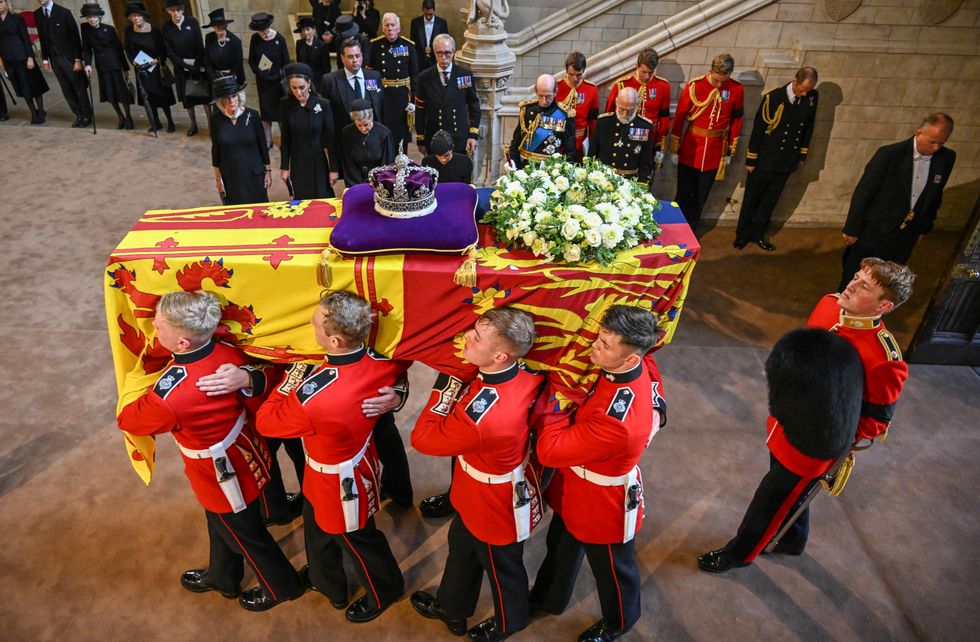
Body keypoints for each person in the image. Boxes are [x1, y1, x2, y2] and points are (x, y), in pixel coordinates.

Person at [116, 290, 305, 612]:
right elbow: (268, 372)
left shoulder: (172, 395)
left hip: (220, 473)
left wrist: (139, 379)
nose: (154, 330)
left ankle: (281, 585)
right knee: (221, 521)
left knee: (244, 534)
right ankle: (222, 576)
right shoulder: (229, 354)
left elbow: (130, 419)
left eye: (159, 326)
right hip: (245, 450)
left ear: (182, 343)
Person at [256, 290, 406, 623]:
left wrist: (290, 380)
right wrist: (396, 397)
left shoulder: (316, 399)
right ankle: (328, 583)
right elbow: (399, 368)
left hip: (336, 478)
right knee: (317, 527)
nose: (311, 327)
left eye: (315, 325)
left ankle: (386, 588)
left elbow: (266, 422)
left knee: (356, 537)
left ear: (335, 341)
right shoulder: (382, 362)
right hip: (352, 458)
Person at [530, 305, 666, 642]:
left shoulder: (617, 424)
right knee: (561, 546)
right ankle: (551, 597)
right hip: (575, 484)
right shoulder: (634, 361)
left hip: (602, 501)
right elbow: (651, 364)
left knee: (612, 569)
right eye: (599, 338)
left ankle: (620, 620)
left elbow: (549, 450)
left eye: (605, 345)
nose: (595, 347)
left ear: (628, 358)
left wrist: (559, 400)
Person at [410, 308, 544, 642]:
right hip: (476, 488)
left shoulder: (481, 417)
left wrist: (446, 385)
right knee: (461, 547)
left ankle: (511, 621)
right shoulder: (526, 376)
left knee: (502, 569)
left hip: (493, 502)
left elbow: (423, 439)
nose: (466, 337)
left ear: (500, 355)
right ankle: (452, 608)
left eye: (476, 338)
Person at [696, 327, 864, 575]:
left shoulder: (881, 352)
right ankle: (792, 538)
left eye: (863, 286)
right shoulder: (831, 306)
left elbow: (874, 415)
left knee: (771, 501)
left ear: (883, 304)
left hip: (814, 439)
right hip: (792, 425)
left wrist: (839, 436)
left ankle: (740, 553)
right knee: (792, 495)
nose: (850, 288)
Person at [838, 112, 956, 292]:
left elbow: (935, 197)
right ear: (918, 133)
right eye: (932, 142)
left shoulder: (946, 158)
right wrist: (852, 228)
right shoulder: (889, 154)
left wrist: (924, 229)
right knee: (854, 277)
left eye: (941, 143)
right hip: (875, 230)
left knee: (886, 282)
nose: (937, 147)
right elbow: (864, 192)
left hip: (906, 236)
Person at [734, 66, 819, 252]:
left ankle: (758, 234)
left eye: (809, 90)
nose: (805, 94)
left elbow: (808, 127)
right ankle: (742, 235)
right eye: (802, 89)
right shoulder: (773, 98)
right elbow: (758, 130)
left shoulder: (813, 97)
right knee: (752, 199)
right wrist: (751, 159)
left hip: (786, 160)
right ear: (794, 81)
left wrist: (802, 154)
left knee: (770, 200)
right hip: (765, 159)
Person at [670, 53, 744, 233]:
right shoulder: (694, 86)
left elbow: (737, 120)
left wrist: (729, 151)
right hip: (691, 148)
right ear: (710, 71)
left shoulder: (736, 89)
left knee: (701, 196)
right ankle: (675, 231)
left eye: (723, 81)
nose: (719, 85)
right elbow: (680, 118)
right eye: (716, 80)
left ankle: (691, 231)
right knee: (683, 194)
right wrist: (675, 148)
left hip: (715, 152)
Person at [321, 37, 383, 176]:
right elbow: (327, 118)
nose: (355, 60)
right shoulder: (330, 81)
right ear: (342, 58)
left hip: (373, 145)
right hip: (346, 146)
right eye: (350, 57)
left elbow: (380, 110)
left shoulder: (374, 77)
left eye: (357, 56)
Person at [606, 47, 670, 173]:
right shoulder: (622, 85)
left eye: (651, 73)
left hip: (649, 142)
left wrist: (660, 148)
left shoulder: (663, 86)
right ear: (637, 66)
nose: (647, 76)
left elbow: (664, 119)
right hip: (624, 141)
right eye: (644, 72)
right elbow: (610, 117)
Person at [209, 75, 270, 205]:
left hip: (254, 173)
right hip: (232, 175)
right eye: (227, 98)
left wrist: (268, 171)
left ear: (239, 96)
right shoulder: (216, 120)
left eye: (234, 96)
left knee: (261, 210)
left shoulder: (252, 115)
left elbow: (263, 146)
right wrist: (218, 178)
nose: (231, 101)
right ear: (221, 101)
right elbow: (216, 149)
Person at [280, 62, 337, 199]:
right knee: (302, 198)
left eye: (302, 87)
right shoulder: (286, 104)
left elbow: (331, 139)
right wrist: (284, 167)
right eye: (294, 88)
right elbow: (286, 138)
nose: (298, 92)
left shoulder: (323, 105)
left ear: (309, 83)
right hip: (298, 159)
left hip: (318, 159)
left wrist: (334, 169)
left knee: (322, 197)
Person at [415, 34, 480, 155]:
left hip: (459, 138)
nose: (444, 57)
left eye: (447, 53)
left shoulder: (464, 75)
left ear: (453, 52)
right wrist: (420, 140)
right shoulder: (425, 77)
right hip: (434, 138)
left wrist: (473, 135)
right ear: (434, 53)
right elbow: (420, 110)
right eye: (439, 53)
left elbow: (474, 106)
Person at [34, 0, 91, 127]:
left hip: (69, 58)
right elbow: (42, 39)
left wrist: (77, 59)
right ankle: (78, 115)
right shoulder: (37, 14)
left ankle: (87, 115)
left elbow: (75, 37)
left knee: (79, 88)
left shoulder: (64, 12)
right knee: (66, 89)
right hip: (54, 59)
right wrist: (45, 59)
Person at [367, 12, 418, 152]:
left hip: (402, 97)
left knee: (401, 134)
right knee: (383, 131)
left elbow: (414, 76)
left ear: (398, 28)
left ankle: (402, 163)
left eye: (393, 25)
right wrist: (371, 98)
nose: (390, 28)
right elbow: (369, 75)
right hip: (382, 96)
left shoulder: (408, 46)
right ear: (382, 28)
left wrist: (413, 100)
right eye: (387, 25)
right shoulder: (375, 46)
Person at [123, 1, 176, 133]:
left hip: (155, 68)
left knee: (162, 96)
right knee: (148, 97)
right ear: (130, 18)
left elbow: (163, 50)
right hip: (141, 69)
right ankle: (155, 123)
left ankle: (170, 122)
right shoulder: (128, 31)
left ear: (144, 16)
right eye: (133, 16)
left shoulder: (155, 31)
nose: (136, 18)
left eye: (138, 15)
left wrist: (156, 61)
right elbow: (128, 49)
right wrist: (134, 63)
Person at [589, 87, 655, 191]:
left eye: (630, 110)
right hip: (603, 180)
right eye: (622, 109)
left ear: (637, 105)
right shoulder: (603, 122)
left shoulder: (645, 126)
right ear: (616, 102)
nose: (625, 114)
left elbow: (646, 161)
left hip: (630, 183)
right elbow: (592, 154)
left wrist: (641, 186)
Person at [80, 3, 132, 130]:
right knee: (109, 92)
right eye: (89, 17)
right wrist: (87, 64)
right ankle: (120, 117)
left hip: (114, 64)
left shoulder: (109, 29)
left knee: (121, 92)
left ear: (99, 17)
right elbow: (87, 49)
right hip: (101, 66)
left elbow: (119, 49)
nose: (91, 19)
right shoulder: (85, 29)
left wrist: (125, 68)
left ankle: (129, 117)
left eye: (94, 17)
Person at [508, 74, 576, 169]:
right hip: (525, 166)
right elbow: (517, 140)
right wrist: (512, 161)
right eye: (540, 96)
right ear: (536, 91)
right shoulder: (526, 109)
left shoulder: (565, 115)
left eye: (548, 96)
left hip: (550, 169)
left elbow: (570, 150)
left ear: (555, 92)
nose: (544, 101)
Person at [162, 0, 209, 136]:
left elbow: (200, 45)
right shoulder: (166, 27)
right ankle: (193, 125)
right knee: (188, 100)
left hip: (197, 67)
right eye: (172, 10)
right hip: (180, 69)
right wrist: (183, 65)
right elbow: (169, 51)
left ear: (182, 9)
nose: (176, 13)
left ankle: (211, 125)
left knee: (204, 97)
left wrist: (196, 65)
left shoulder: (192, 22)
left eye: (178, 9)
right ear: (168, 11)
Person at [0, 0, 49, 124]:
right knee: (22, 88)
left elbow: (26, 38)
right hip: (8, 59)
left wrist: (30, 57)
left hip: (23, 57)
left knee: (34, 85)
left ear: (6, 3)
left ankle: (41, 111)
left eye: (0, 2)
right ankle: (33, 112)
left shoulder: (17, 18)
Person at [247, 12, 289, 148]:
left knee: (281, 113)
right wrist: (260, 74)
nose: (263, 34)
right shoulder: (255, 39)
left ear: (269, 26)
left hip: (278, 83)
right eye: (260, 31)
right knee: (266, 113)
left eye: (264, 31)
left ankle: (284, 141)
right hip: (263, 83)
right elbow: (252, 61)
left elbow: (286, 62)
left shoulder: (280, 39)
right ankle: (268, 140)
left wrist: (278, 75)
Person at [554, 51, 598, 161]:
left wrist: (593, 145)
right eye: (571, 74)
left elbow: (593, 121)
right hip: (558, 141)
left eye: (579, 75)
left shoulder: (591, 89)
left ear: (584, 71)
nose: (575, 79)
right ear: (566, 71)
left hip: (579, 143)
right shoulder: (556, 87)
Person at [340, 98, 394, 186]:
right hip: (355, 182)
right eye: (359, 125)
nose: (363, 129)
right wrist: (357, 185)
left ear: (371, 117)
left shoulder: (384, 133)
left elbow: (387, 163)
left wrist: (378, 183)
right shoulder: (347, 133)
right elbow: (348, 163)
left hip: (380, 183)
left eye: (366, 124)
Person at [202, 8, 244, 86]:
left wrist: (229, 78)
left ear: (225, 25)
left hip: (232, 78)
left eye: (220, 24)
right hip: (215, 78)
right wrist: (214, 77)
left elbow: (238, 62)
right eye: (215, 25)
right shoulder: (209, 38)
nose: (217, 27)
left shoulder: (235, 41)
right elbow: (207, 60)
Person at [294, 16, 330, 85]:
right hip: (304, 79)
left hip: (318, 80)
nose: (305, 32)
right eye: (303, 30)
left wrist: (325, 82)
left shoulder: (322, 45)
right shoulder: (299, 43)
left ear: (314, 30)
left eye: (308, 29)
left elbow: (326, 67)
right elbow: (299, 62)